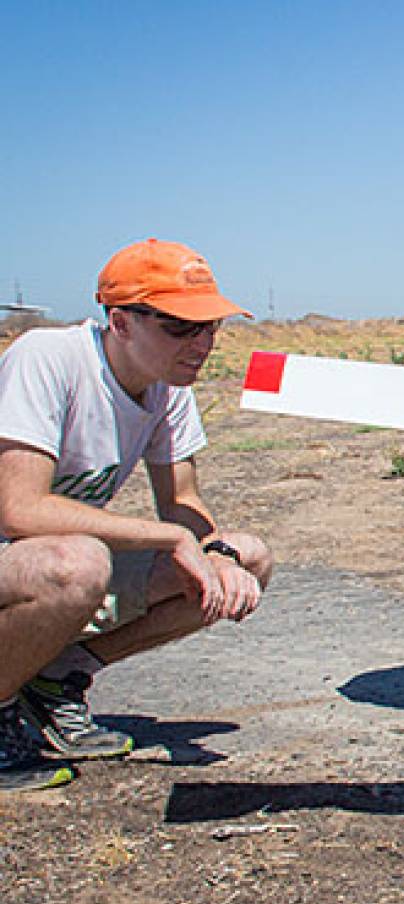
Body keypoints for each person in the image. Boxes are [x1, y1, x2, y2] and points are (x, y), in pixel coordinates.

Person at [0, 239, 274, 791]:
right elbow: (19, 509)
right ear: (120, 322)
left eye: (210, 327)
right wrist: (172, 537)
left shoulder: (166, 384)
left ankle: (55, 680)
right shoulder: (46, 358)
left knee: (245, 557)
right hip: (25, 560)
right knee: (73, 563)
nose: (201, 343)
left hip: (31, 567)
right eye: (180, 326)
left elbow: (183, 502)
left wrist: (213, 554)